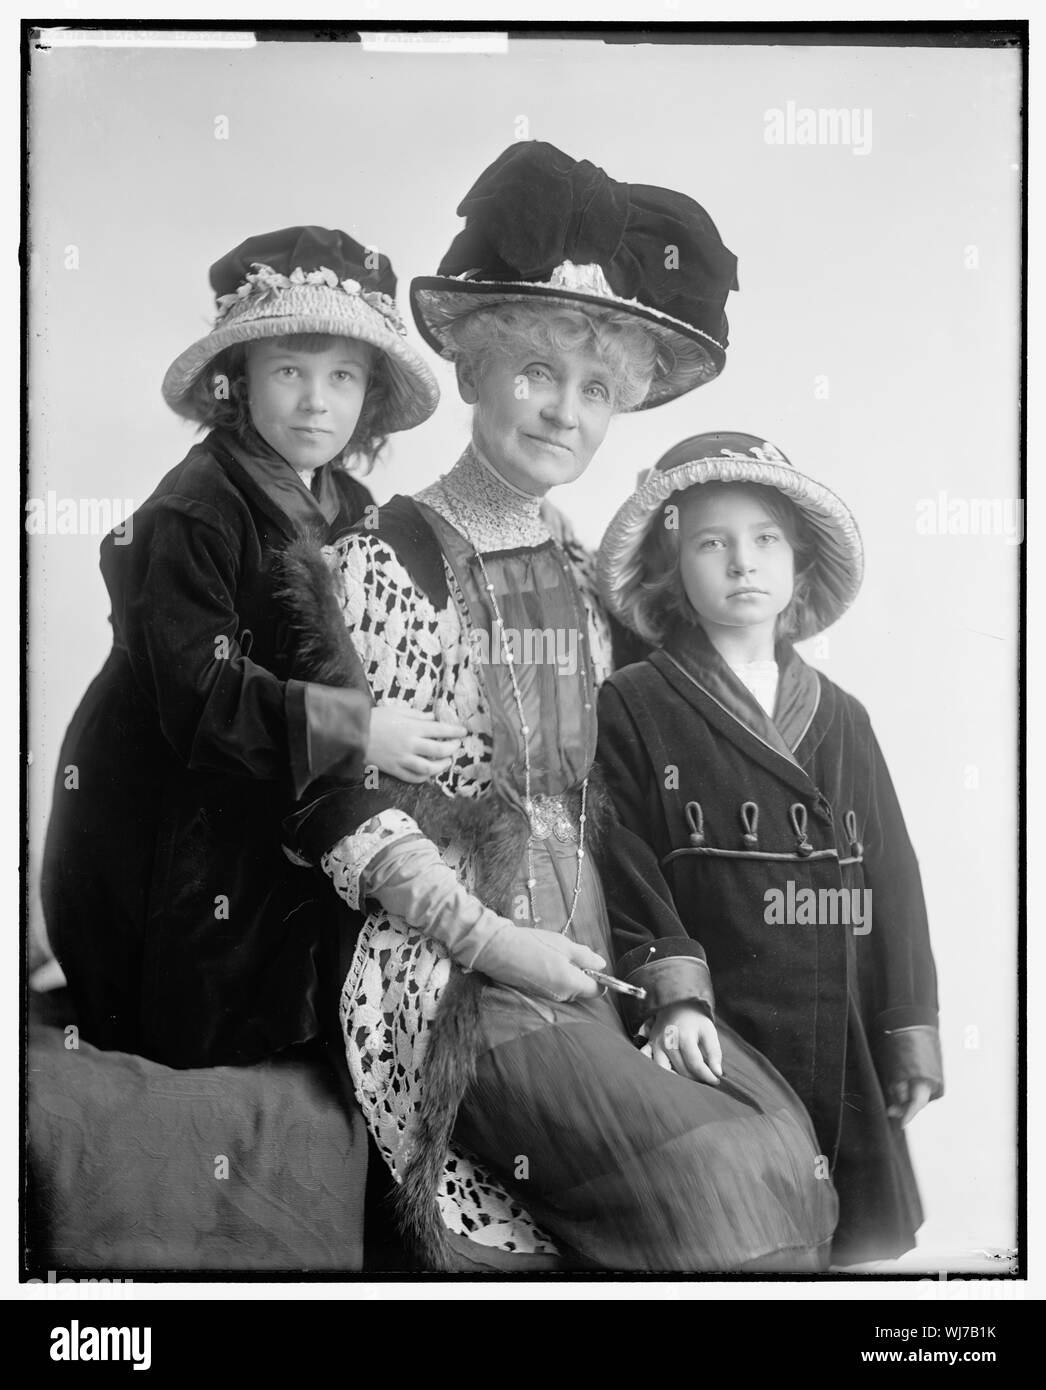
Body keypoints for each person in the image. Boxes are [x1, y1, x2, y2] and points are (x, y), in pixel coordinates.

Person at [288, 143, 838, 1272]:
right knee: (713, 1190)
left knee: (787, 1153)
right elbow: (342, 808)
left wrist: (665, 975)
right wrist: (500, 945)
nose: (562, 413)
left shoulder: (594, 577)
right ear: (478, 370)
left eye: (594, 391)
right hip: (456, 972)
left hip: (598, 955)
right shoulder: (386, 558)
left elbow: (631, 795)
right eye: (535, 372)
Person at [41, 225, 467, 1068]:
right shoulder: (194, 512)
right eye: (289, 372)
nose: (317, 402)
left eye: (342, 376)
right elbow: (202, 696)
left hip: (264, 785)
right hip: (157, 809)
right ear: (237, 384)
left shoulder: (346, 501)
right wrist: (359, 730)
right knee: (202, 1025)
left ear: (368, 393)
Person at [595, 431, 944, 1266]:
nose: (741, 563)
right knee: (743, 1236)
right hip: (722, 1030)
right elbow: (620, 858)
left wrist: (908, 1027)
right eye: (711, 543)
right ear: (673, 566)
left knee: (839, 1244)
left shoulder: (843, 715)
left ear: (796, 564)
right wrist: (674, 994)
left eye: (764, 541)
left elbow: (892, 879)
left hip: (842, 1026)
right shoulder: (635, 702)